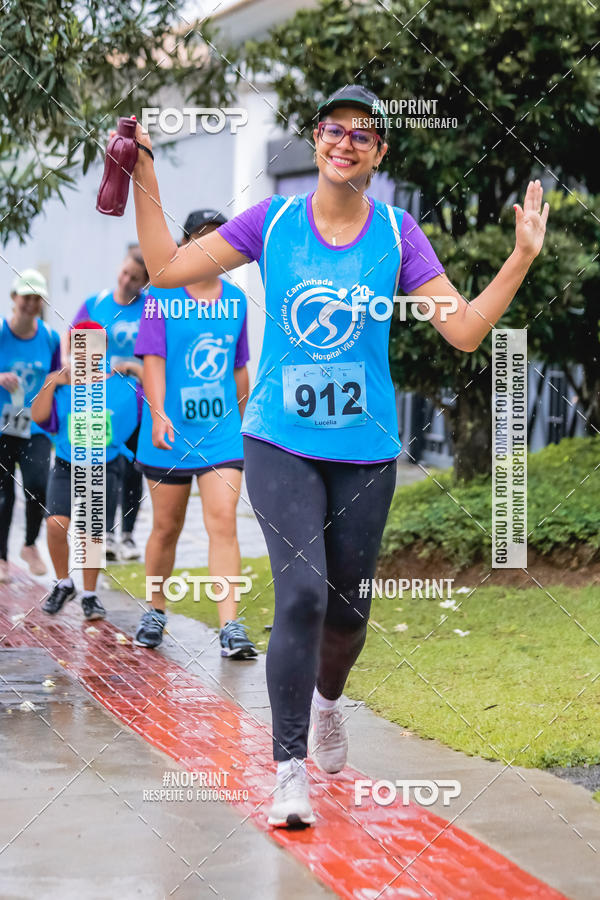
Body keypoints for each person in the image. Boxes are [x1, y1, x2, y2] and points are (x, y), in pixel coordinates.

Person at [129, 83, 549, 827]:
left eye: (362, 134)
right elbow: (163, 268)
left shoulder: (396, 232)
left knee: (349, 611)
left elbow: (463, 331)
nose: (345, 142)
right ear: (316, 139)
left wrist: (520, 258)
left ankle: (328, 703)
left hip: (364, 451)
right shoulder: (273, 221)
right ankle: (287, 770)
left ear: (379, 152)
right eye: (333, 129)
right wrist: (144, 171)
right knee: (301, 596)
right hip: (278, 440)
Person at [132, 209, 257, 659]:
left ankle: (230, 626)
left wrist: (246, 423)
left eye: (217, 238)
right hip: (169, 433)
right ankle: (155, 610)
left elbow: (239, 368)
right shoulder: (160, 295)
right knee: (166, 527)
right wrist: (158, 414)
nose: (209, 247)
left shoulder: (236, 300)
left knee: (223, 521)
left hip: (222, 433)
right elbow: (153, 360)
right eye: (200, 238)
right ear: (184, 245)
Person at [31, 321, 142, 619]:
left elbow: (153, 399)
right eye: (78, 346)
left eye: (92, 346)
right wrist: (50, 381)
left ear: (103, 349)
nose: (85, 353)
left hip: (105, 467)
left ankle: (90, 595)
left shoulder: (120, 383)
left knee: (91, 533)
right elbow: (39, 417)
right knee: (55, 524)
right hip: (66, 465)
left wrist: (135, 367)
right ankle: (64, 584)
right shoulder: (63, 385)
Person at [72, 246, 148, 562]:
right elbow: (74, 344)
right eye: (125, 272)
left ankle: (127, 534)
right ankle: (104, 533)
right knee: (104, 467)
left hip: (139, 403)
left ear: (144, 283)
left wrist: (134, 369)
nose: (126, 280)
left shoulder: (151, 309)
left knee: (133, 469)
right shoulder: (96, 304)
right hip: (100, 402)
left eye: (135, 278)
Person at [0, 269, 61, 582]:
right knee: (3, 494)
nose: (31, 303)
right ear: (14, 298)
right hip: (2, 426)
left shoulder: (49, 337)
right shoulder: (1, 332)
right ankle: (1, 557)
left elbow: (55, 378)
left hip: (35, 426)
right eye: (26, 297)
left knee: (38, 485)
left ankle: (29, 544)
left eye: (37, 299)